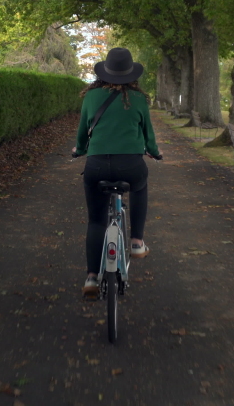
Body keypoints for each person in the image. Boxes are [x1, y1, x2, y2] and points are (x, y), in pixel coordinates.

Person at [72, 47, 162, 297]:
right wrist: (154, 151)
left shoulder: (90, 97)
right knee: (140, 186)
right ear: (130, 74)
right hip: (130, 165)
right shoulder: (139, 99)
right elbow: (149, 135)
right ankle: (136, 241)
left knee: (96, 220)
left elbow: (82, 132)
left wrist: (80, 150)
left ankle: (91, 277)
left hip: (96, 165)